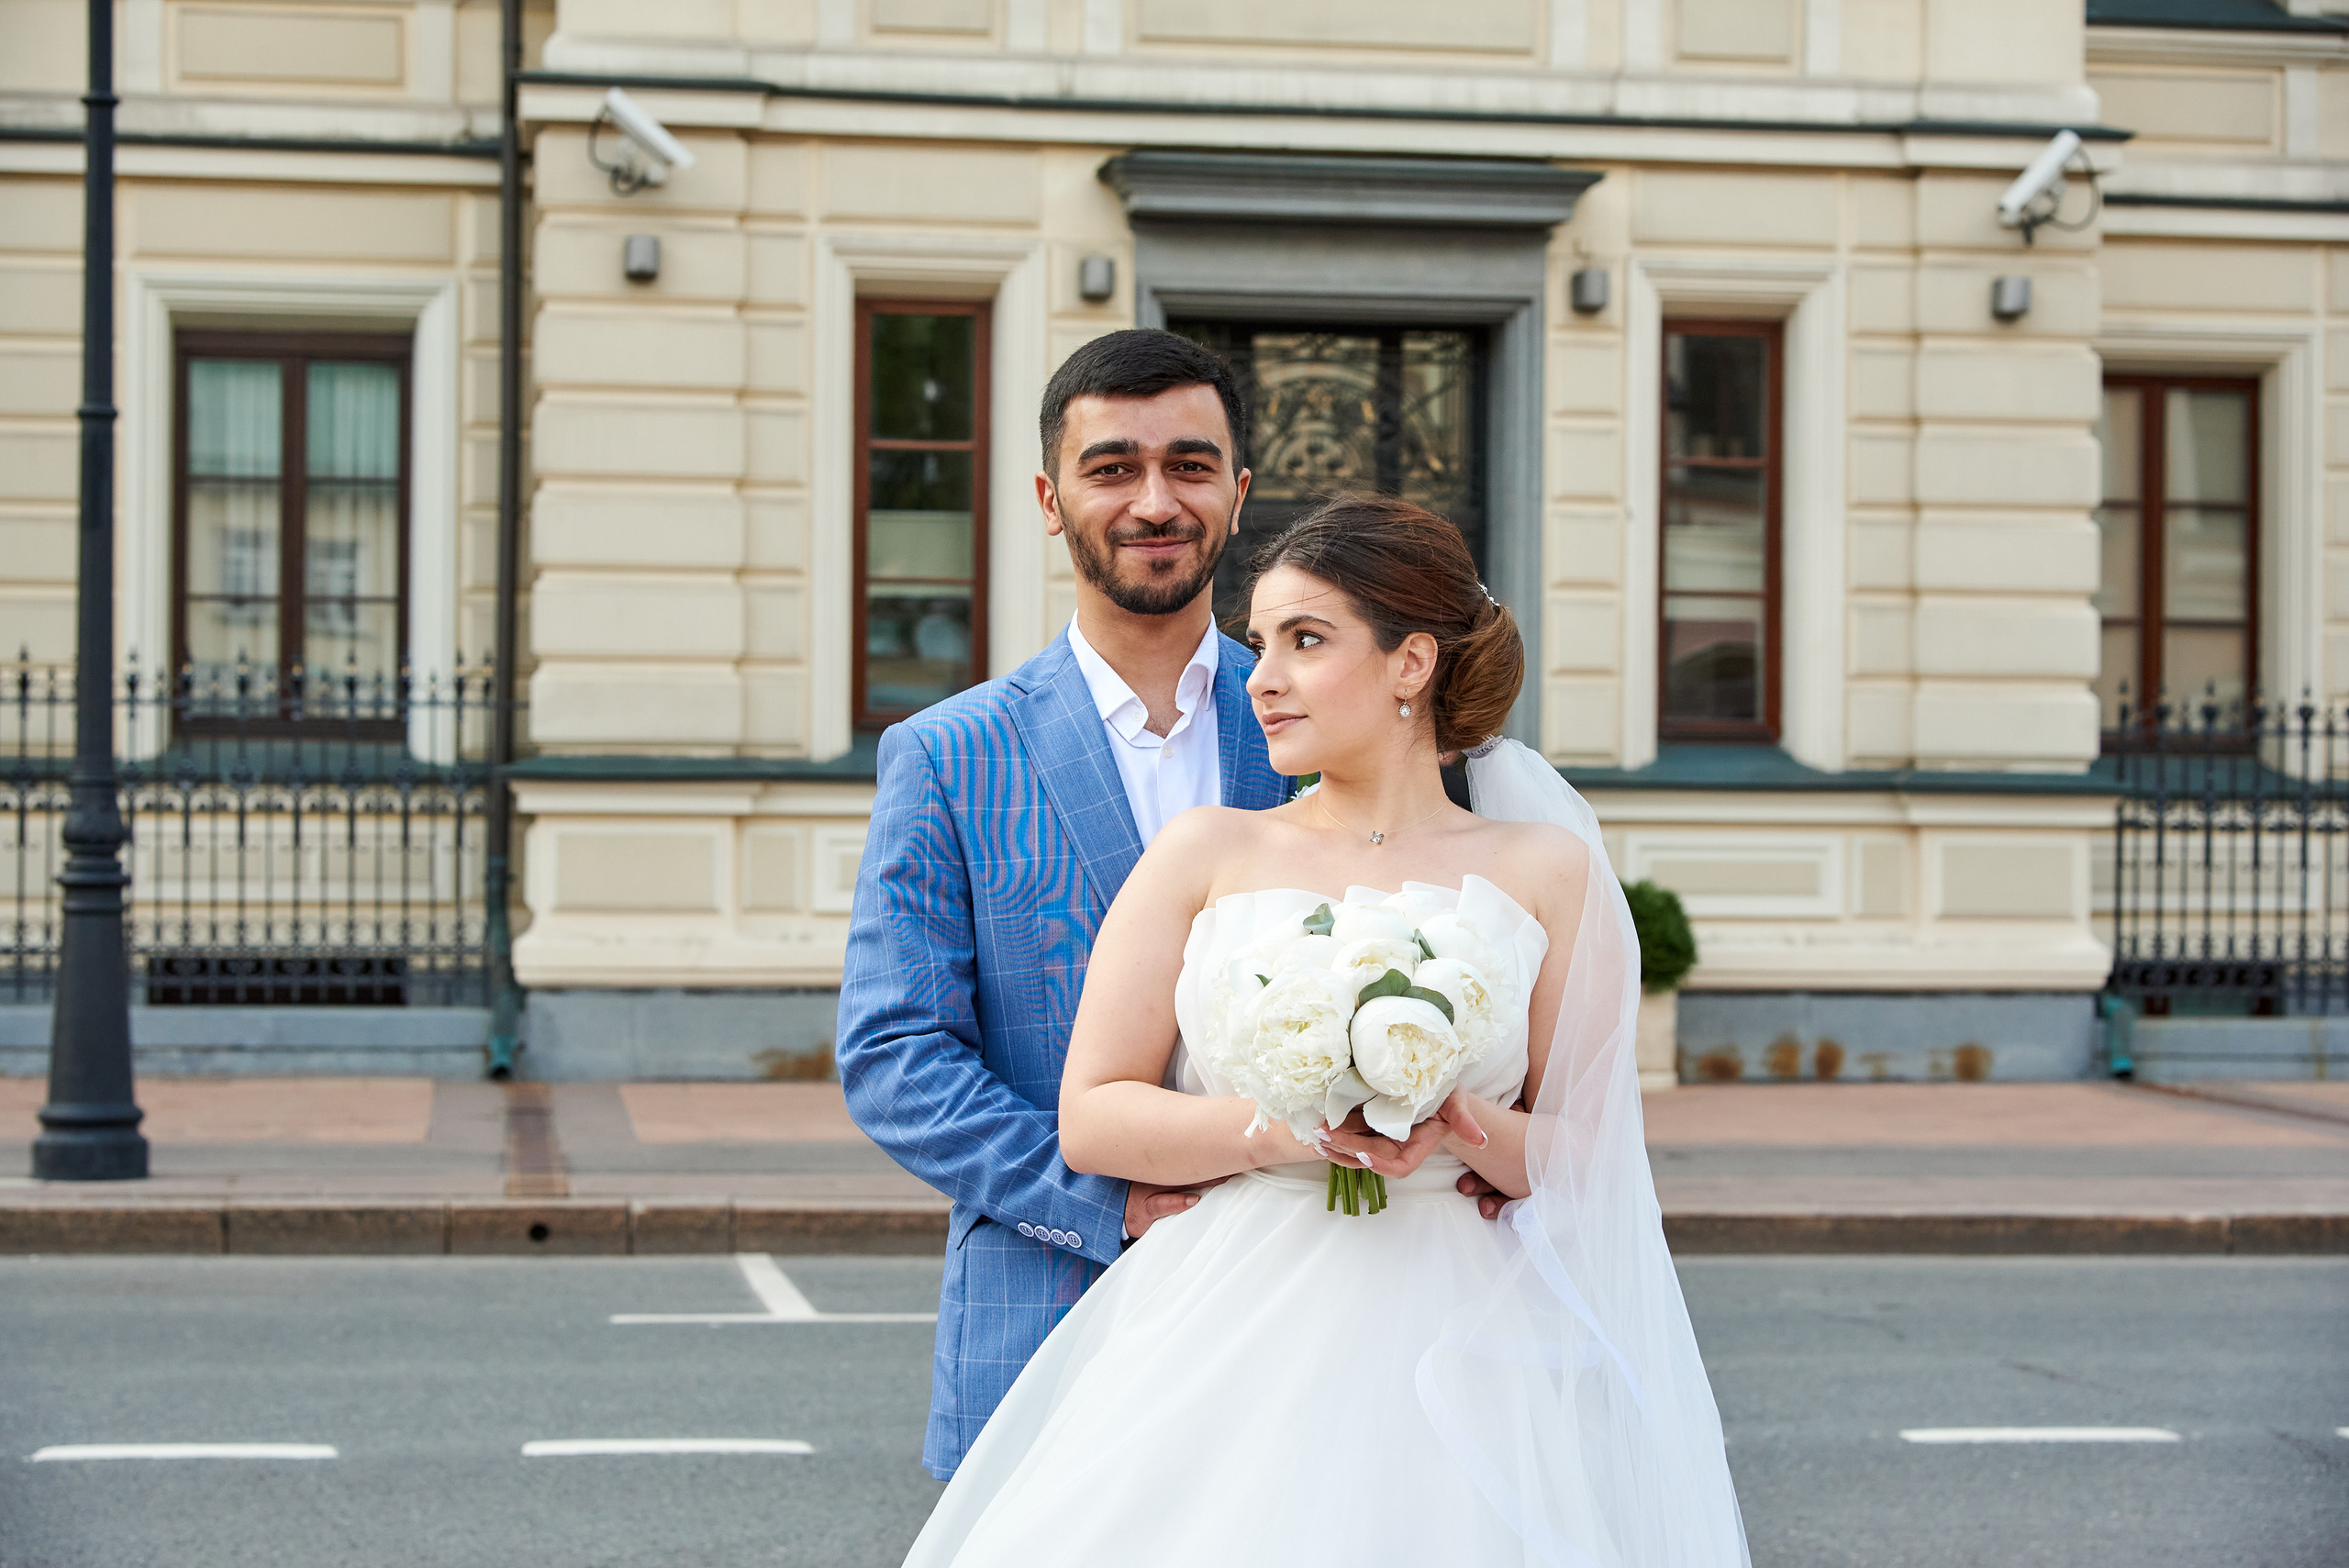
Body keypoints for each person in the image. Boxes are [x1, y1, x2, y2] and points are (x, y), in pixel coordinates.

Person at [902, 495, 1750, 1566]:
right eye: (1261, 643)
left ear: (1411, 664)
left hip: (1471, 1326)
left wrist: (1453, 1120)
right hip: (1227, 1316)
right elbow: (1094, 1115)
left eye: (1305, 640)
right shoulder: (1204, 852)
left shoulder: (1548, 871)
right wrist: (1282, 1128)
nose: (1261, 675)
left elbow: (1586, 1151)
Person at [837, 329, 1289, 1481]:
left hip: (1302, 1316)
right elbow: (894, 1054)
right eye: (1112, 467)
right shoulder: (948, 753)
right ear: (1050, 497)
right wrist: (1112, 1197)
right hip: (1046, 1317)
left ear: (1237, 494)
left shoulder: (1319, 735)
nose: (1155, 499)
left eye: (1190, 465)